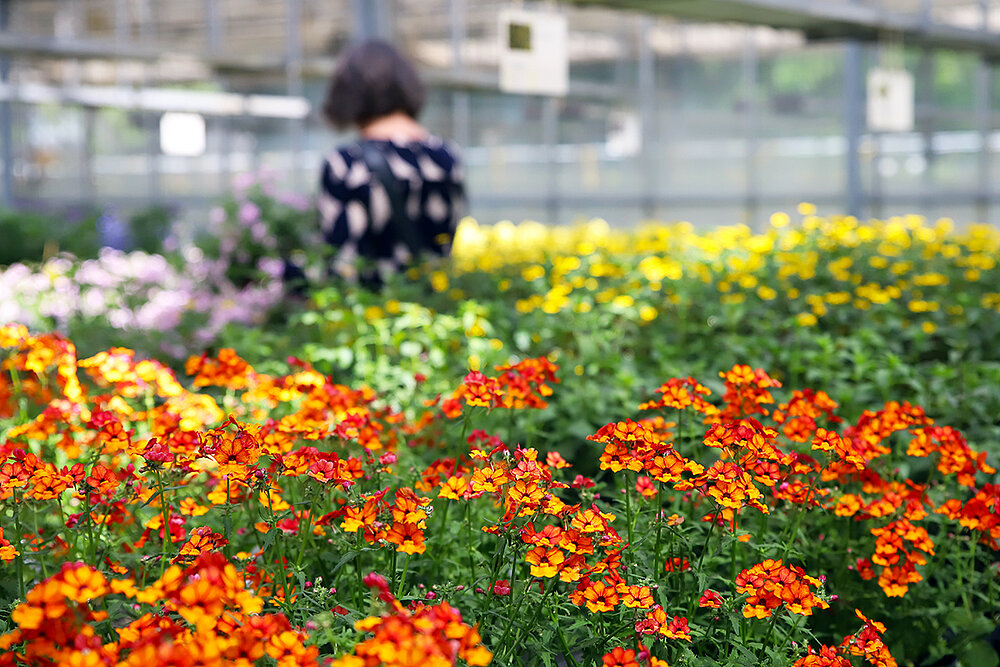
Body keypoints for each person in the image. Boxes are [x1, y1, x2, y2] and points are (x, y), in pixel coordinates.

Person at [318, 39, 465, 289]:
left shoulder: (348, 164)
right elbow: (447, 242)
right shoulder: (445, 156)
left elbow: (340, 260)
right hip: (433, 310)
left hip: (372, 314)